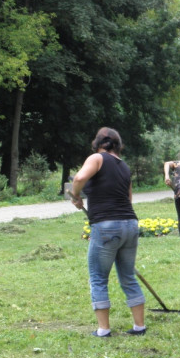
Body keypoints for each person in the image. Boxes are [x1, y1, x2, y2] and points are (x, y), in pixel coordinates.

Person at [70, 127, 146, 337]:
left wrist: (76, 196)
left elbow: (78, 179)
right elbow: (128, 199)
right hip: (130, 224)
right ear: (118, 144)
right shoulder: (124, 166)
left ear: (98, 142)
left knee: (98, 278)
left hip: (105, 226)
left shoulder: (97, 158)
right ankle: (139, 326)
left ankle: (104, 329)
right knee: (128, 276)